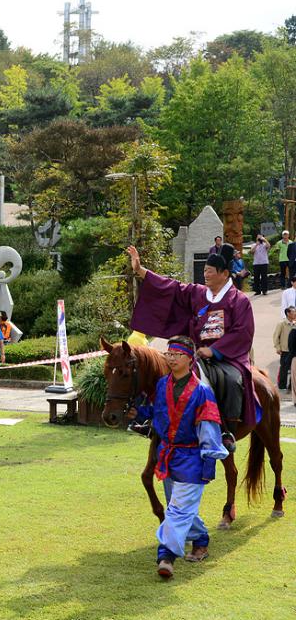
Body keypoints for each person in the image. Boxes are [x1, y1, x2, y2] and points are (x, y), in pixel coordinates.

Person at [127, 243, 259, 452]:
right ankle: (153, 420)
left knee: (232, 380)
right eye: (204, 270)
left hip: (228, 356)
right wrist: (141, 271)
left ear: (224, 274)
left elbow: (242, 331)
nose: (205, 274)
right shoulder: (197, 293)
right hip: (196, 353)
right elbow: (171, 287)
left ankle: (228, 430)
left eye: (209, 271)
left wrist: (214, 350)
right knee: (167, 374)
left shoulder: (239, 300)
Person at [127, 336, 229, 579]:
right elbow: (158, 412)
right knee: (178, 505)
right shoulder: (162, 385)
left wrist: (209, 461)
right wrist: (140, 412)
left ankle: (167, 556)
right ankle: (201, 539)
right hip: (168, 454)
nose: (171, 358)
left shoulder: (203, 392)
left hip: (192, 457)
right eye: (168, 354)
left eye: (176, 355)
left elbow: (208, 427)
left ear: (189, 359)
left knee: (178, 510)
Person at [275, 307, 296, 390]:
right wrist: (278, 347)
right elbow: (276, 337)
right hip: (285, 350)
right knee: (284, 368)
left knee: (293, 369)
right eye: (294, 312)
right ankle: (282, 386)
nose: (295, 313)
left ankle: (291, 386)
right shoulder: (281, 324)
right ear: (288, 313)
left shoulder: (295, 324)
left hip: (293, 351)